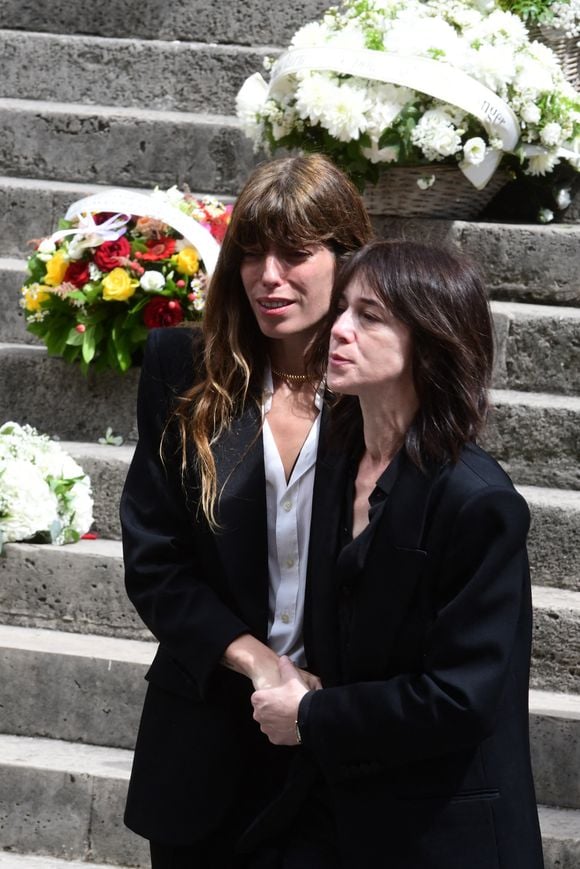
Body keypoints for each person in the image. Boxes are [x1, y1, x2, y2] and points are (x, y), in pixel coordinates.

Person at [251, 240, 545, 868]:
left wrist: (312, 712)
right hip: (340, 816)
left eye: (371, 316)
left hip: (443, 835)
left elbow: (459, 697)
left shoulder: (478, 501)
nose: (340, 330)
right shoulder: (337, 463)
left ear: (432, 342)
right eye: (344, 309)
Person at [120, 153, 373, 868]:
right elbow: (156, 560)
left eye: (295, 254)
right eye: (252, 254)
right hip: (206, 739)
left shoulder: (381, 384)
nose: (269, 276)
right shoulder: (182, 370)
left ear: (346, 258)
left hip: (336, 745)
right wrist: (258, 661)